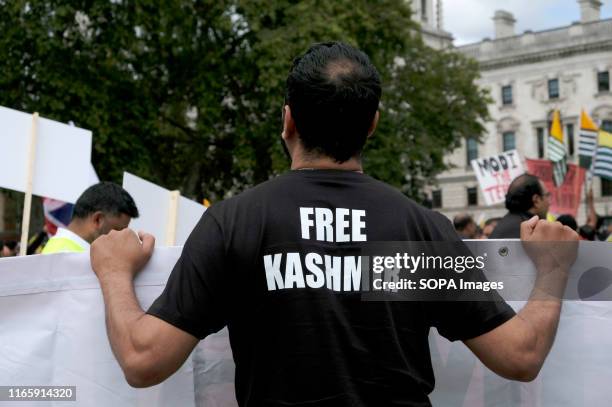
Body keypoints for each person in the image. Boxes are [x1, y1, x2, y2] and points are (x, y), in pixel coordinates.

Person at [90, 42, 578, 406]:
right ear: (372, 125)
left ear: (288, 122)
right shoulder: (414, 230)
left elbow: (143, 360)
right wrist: (553, 268)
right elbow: (520, 355)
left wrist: (113, 271)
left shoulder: (234, 222)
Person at [42, 182, 139, 254]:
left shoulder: (61, 250)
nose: (121, 238)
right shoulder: (68, 256)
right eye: (118, 229)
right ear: (98, 219)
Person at [489, 173, 551, 239]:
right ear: (536, 200)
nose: (549, 202)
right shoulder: (530, 231)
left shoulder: (504, 225)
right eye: (547, 195)